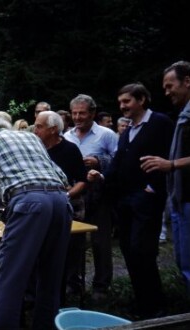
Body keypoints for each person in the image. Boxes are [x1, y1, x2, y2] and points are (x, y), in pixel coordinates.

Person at [0, 117, 72, 329]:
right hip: (61, 201)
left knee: (11, 279)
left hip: (29, 204)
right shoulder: (31, 138)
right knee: (50, 278)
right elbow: (62, 178)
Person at [90, 83, 174, 318]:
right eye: (120, 103)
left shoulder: (159, 123)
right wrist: (103, 176)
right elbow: (118, 163)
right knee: (129, 251)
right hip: (125, 200)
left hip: (146, 199)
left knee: (142, 250)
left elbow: (168, 155)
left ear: (142, 100)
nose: (122, 106)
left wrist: (152, 188)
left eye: (126, 101)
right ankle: (142, 303)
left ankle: (156, 306)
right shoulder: (128, 131)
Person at [141, 61, 190, 295]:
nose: (167, 92)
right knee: (184, 262)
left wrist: (170, 164)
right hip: (181, 198)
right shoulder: (183, 114)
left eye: (170, 86)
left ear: (187, 82)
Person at [64, 94, 118, 301]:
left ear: (93, 113)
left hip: (98, 194)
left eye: (82, 113)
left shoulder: (106, 135)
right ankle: (74, 284)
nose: (77, 117)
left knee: (100, 241)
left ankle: (101, 287)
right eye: (74, 113)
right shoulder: (67, 136)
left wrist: (98, 161)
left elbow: (119, 160)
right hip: (74, 194)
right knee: (73, 241)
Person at [34, 111, 88, 295]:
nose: (35, 130)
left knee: (70, 251)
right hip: (42, 206)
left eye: (39, 126)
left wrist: (66, 195)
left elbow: (82, 180)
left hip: (68, 203)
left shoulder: (70, 149)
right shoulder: (35, 149)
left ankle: (71, 286)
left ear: (53, 129)